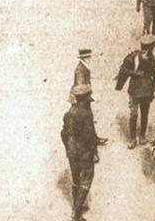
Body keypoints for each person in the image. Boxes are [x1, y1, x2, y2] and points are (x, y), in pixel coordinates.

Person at [61, 84, 99, 221]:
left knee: (76, 178)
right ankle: (76, 214)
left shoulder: (68, 114)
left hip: (72, 151)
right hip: (84, 152)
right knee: (86, 180)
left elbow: (63, 134)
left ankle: (76, 206)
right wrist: (94, 152)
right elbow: (90, 136)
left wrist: (68, 148)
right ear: (85, 99)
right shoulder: (86, 114)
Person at [115, 34, 155, 149]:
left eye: (148, 48)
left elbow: (154, 72)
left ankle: (142, 136)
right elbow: (123, 70)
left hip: (147, 91)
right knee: (134, 114)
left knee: (144, 114)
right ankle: (132, 138)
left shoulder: (151, 57)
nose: (147, 50)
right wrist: (136, 73)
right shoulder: (133, 57)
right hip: (135, 91)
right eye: (146, 47)